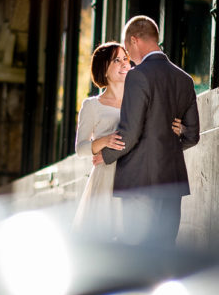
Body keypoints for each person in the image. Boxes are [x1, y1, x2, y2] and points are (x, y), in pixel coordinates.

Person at [100, 15, 200, 247]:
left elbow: (131, 132)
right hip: (172, 184)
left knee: (139, 256)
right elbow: (192, 135)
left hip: (140, 184)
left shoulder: (138, 76)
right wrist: (177, 134)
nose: (129, 60)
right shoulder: (185, 80)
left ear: (134, 40)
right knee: (164, 255)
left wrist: (104, 155)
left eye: (127, 50)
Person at [72, 42, 183, 240]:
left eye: (126, 59)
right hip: (106, 179)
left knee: (136, 241)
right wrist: (104, 141)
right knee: (104, 244)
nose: (125, 64)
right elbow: (80, 149)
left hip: (138, 177)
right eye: (117, 60)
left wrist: (177, 128)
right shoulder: (92, 105)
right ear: (104, 69)